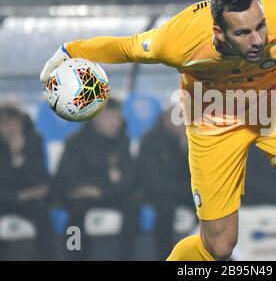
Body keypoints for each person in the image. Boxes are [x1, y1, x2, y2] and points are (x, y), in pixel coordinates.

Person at [41, 0, 276, 261]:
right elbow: (126, 47)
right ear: (219, 33)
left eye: (260, 27)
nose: (257, 40)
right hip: (211, 115)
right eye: (242, 33)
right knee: (219, 245)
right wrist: (71, 50)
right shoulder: (177, 41)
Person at [53, 97, 137, 260]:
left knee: (133, 206)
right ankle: (76, 255)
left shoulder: (122, 141)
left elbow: (130, 178)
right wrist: (86, 189)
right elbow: (64, 177)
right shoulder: (76, 142)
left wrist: (101, 191)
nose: (114, 123)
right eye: (108, 118)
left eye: (117, 118)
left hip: (109, 193)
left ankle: (128, 256)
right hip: (81, 195)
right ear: (95, 119)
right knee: (75, 215)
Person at [134, 108, 194, 260]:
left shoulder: (187, 140)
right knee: (165, 209)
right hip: (157, 194)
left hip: (181, 192)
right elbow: (152, 180)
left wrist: (186, 149)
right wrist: (185, 190)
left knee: (208, 204)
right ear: (167, 117)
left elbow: (195, 175)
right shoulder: (150, 141)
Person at [0, 104, 54, 260]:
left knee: (41, 212)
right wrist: (17, 196)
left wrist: (21, 158)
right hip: (5, 199)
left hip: (30, 199)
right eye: (5, 123)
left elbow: (41, 177)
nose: (11, 128)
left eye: (14, 123)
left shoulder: (34, 142)